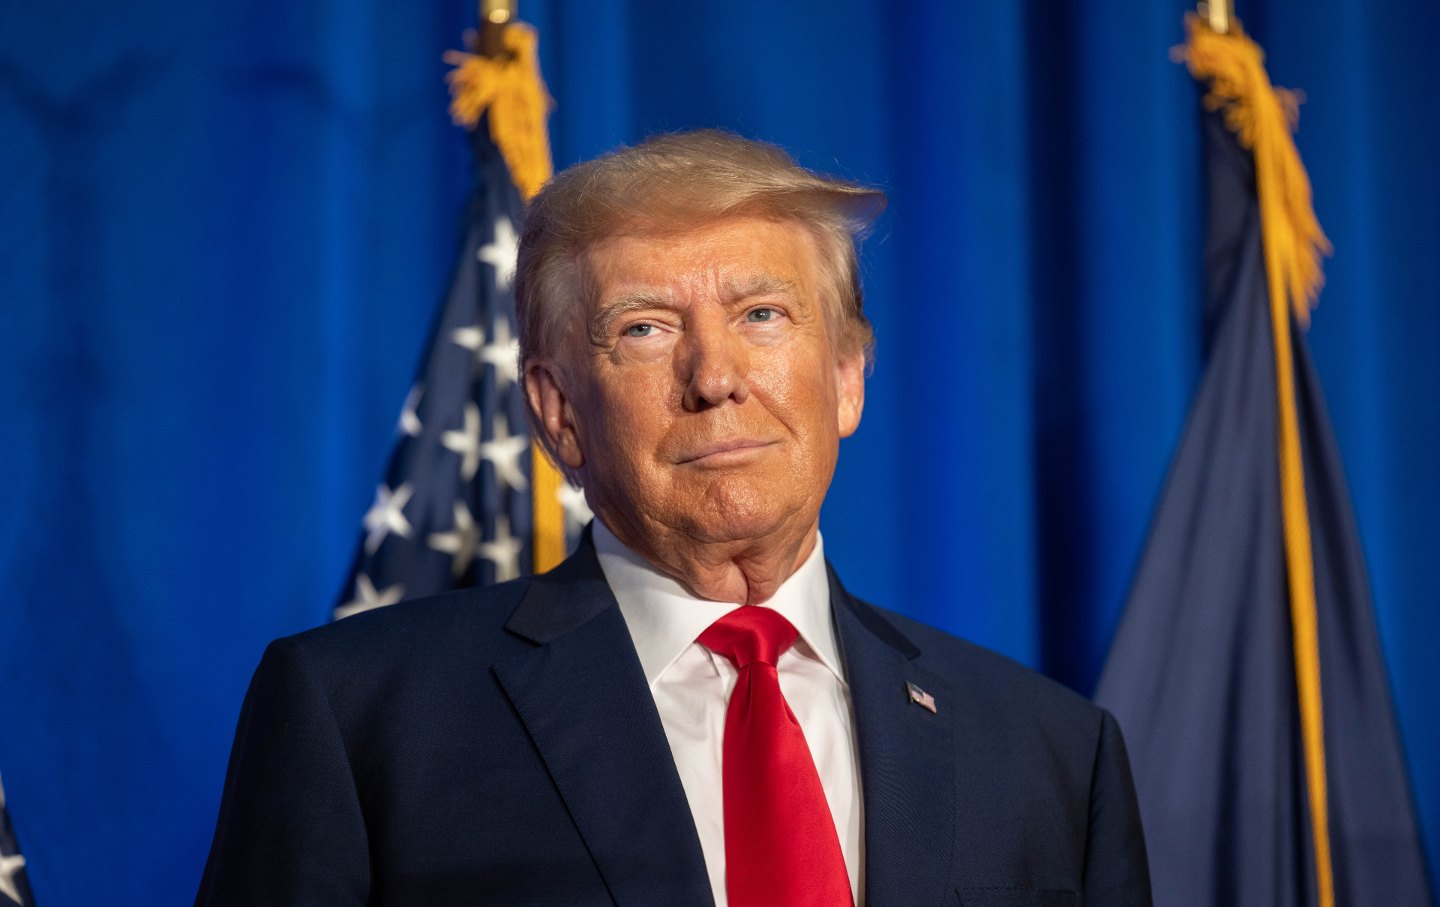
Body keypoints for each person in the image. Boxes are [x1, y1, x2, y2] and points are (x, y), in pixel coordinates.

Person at [196, 130, 1152, 906]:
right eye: (645, 328)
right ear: (559, 410)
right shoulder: (359, 718)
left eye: (763, 315)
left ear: (849, 378)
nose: (714, 378)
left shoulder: (1052, 751)